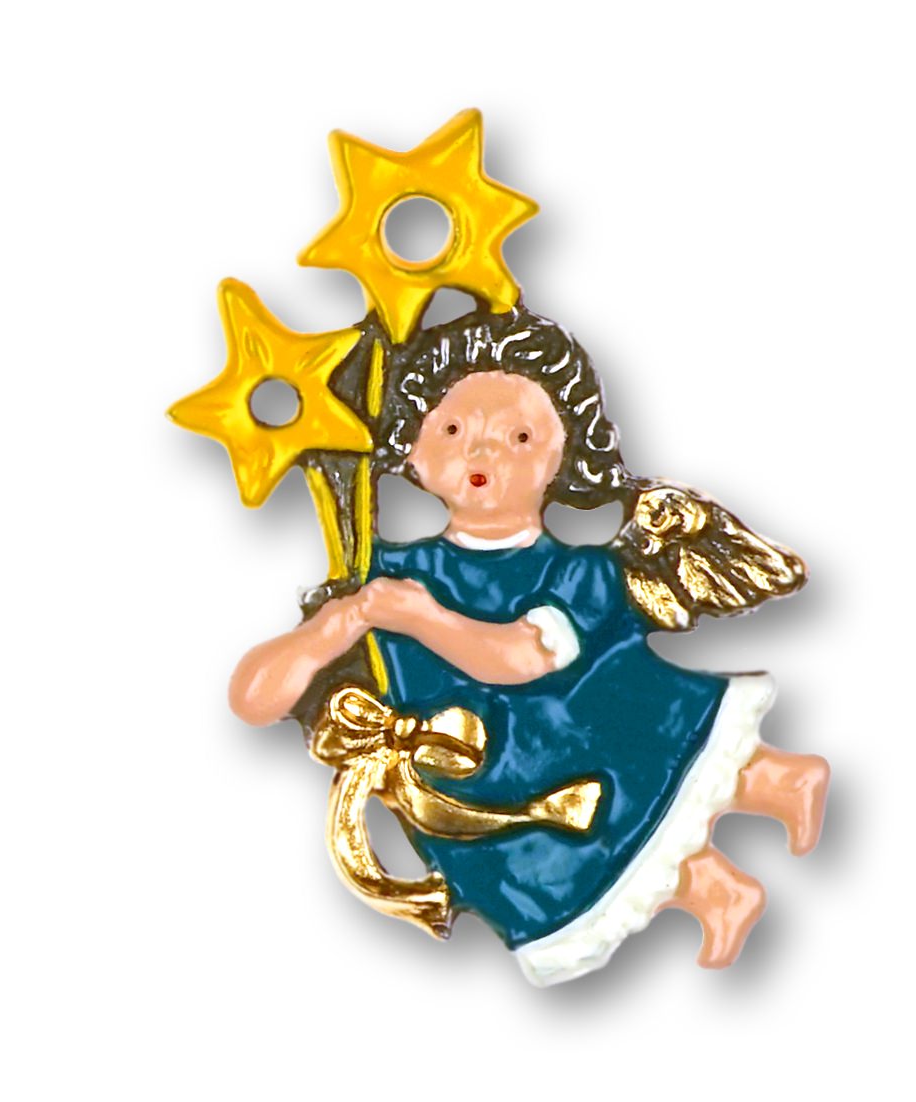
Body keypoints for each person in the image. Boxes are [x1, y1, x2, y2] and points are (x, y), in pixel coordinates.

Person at [229, 307, 828, 986]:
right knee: (591, 862)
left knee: (660, 780)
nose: (482, 454)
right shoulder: (383, 577)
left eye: (518, 437)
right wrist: (332, 630)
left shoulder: (579, 576)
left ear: (564, 460)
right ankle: (724, 897)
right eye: (453, 431)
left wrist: (421, 618)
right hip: (493, 786)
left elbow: (523, 657)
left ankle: (783, 783)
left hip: (583, 735)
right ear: (414, 452)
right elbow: (253, 699)